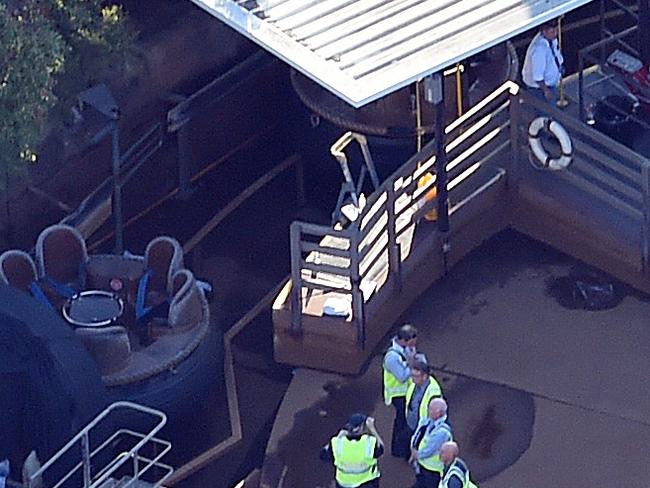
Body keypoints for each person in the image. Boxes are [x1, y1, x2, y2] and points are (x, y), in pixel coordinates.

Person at [320, 413, 384, 488]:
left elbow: (323, 455)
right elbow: (381, 449)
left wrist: (338, 436)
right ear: (360, 428)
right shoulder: (369, 442)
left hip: (343, 484)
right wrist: (372, 429)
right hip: (366, 483)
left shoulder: (337, 443)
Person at [383, 323, 418, 458]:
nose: (413, 345)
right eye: (411, 342)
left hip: (406, 393)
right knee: (402, 422)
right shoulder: (392, 358)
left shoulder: (405, 348)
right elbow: (402, 376)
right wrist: (412, 364)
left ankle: (401, 448)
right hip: (398, 395)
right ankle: (398, 449)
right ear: (404, 340)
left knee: (404, 421)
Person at [409, 398, 453, 488]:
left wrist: (416, 455)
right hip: (423, 465)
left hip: (432, 470)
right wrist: (413, 447)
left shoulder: (442, 432)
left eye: (431, 409)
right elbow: (418, 433)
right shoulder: (429, 420)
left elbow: (429, 449)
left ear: (438, 413)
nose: (428, 411)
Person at [521, 20, 564, 104]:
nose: (555, 33)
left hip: (551, 84)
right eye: (552, 31)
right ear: (544, 31)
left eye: (556, 29)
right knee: (547, 112)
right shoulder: (539, 50)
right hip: (540, 90)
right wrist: (546, 91)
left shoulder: (551, 39)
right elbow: (538, 77)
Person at [405, 360, 442, 450]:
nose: (412, 378)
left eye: (415, 376)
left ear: (424, 376)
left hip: (422, 428)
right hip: (411, 422)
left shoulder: (433, 392)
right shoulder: (415, 383)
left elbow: (434, 414)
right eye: (412, 375)